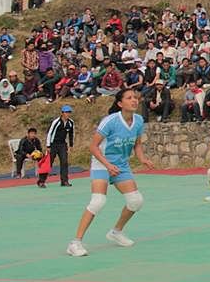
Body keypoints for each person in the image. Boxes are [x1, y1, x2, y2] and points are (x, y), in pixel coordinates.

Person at [67, 89, 154, 257]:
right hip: (102, 162)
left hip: (120, 165)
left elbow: (137, 144)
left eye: (135, 98)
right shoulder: (110, 121)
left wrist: (142, 158)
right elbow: (93, 147)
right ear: (120, 104)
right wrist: (107, 165)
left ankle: (116, 232)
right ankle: (75, 243)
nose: (134, 100)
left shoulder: (138, 120)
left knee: (136, 201)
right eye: (129, 98)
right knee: (98, 201)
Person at [43, 105, 75, 187]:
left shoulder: (71, 122)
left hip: (62, 144)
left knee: (64, 162)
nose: (68, 114)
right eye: (66, 112)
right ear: (62, 113)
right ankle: (41, 181)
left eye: (69, 112)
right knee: (48, 163)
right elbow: (50, 133)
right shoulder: (56, 122)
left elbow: (71, 134)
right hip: (53, 144)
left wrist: (71, 145)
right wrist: (48, 145)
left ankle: (64, 181)